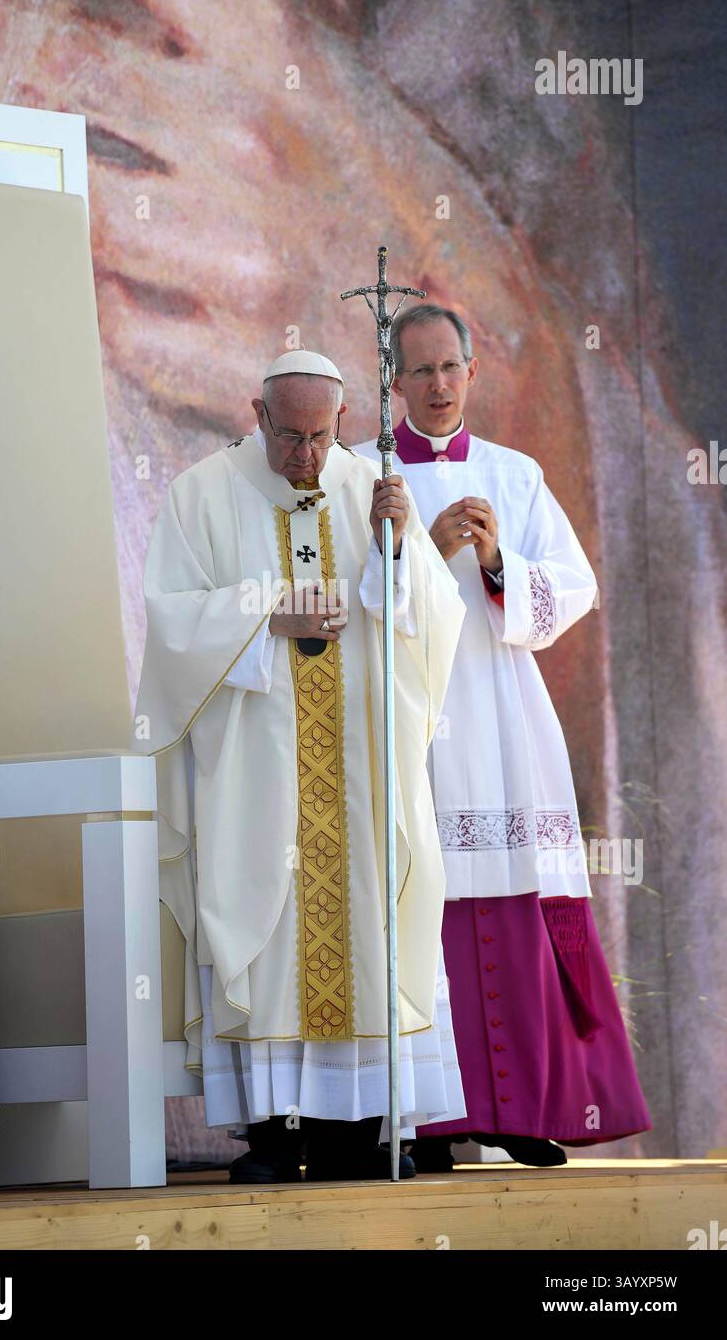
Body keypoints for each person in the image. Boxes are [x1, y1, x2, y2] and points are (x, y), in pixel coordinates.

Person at [136, 349, 466, 1183]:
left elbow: (430, 620)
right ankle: (274, 1136)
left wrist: (399, 550)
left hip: (361, 770)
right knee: (266, 925)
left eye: (322, 438)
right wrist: (264, 614)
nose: (306, 458)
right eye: (290, 437)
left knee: (367, 923)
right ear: (257, 414)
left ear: (343, 424)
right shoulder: (202, 494)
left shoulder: (372, 489)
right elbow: (171, 624)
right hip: (257, 763)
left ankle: (356, 1130)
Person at [355, 304, 651, 1168]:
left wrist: (494, 567)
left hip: (506, 721)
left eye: (451, 368)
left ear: (471, 373)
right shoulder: (369, 480)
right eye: (420, 372)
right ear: (393, 383)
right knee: (424, 907)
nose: (438, 386)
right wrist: (421, 552)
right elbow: (364, 608)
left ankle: (524, 1113)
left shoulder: (515, 476)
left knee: (515, 897)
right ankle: (435, 1122)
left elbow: (576, 589)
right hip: (416, 722)